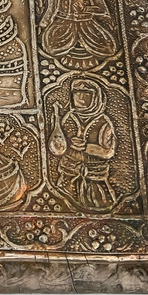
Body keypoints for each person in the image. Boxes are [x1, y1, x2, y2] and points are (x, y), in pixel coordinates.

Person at [49, 79, 117, 210]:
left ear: (96, 98)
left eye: (86, 94)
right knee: (63, 204)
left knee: (100, 205)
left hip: (94, 176)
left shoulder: (103, 122)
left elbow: (108, 152)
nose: (80, 98)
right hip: (69, 172)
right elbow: (59, 142)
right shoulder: (69, 117)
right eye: (76, 93)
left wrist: (86, 147)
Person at [39, 0, 117, 69]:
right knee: (50, 47)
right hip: (63, 23)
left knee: (108, 48)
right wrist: (44, 23)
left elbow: (103, 10)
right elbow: (52, 8)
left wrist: (87, 9)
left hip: (87, 24)